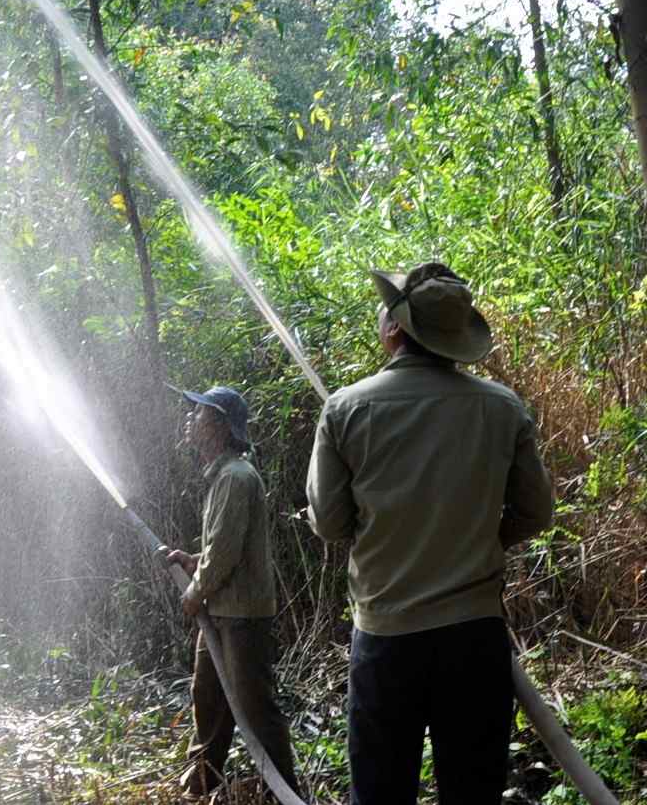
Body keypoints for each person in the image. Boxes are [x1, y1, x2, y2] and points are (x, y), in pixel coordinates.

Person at [305, 262, 555, 805]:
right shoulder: (502, 407)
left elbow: (328, 523)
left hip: (386, 640)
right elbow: (537, 512)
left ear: (395, 329)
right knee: (472, 793)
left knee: (380, 793)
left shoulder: (345, 409)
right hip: (474, 640)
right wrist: (480, 540)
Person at [164, 385, 303, 799]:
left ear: (222, 427)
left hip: (241, 616)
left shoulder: (236, 478)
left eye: (201, 414)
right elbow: (220, 548)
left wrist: (195, 592)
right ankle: (200, 784)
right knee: (207, 698)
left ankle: (285, 792)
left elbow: (223, 554)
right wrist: (195, 561)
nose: (191, 420)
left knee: (254, 708)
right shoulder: (224, 476)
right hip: (224, 610)